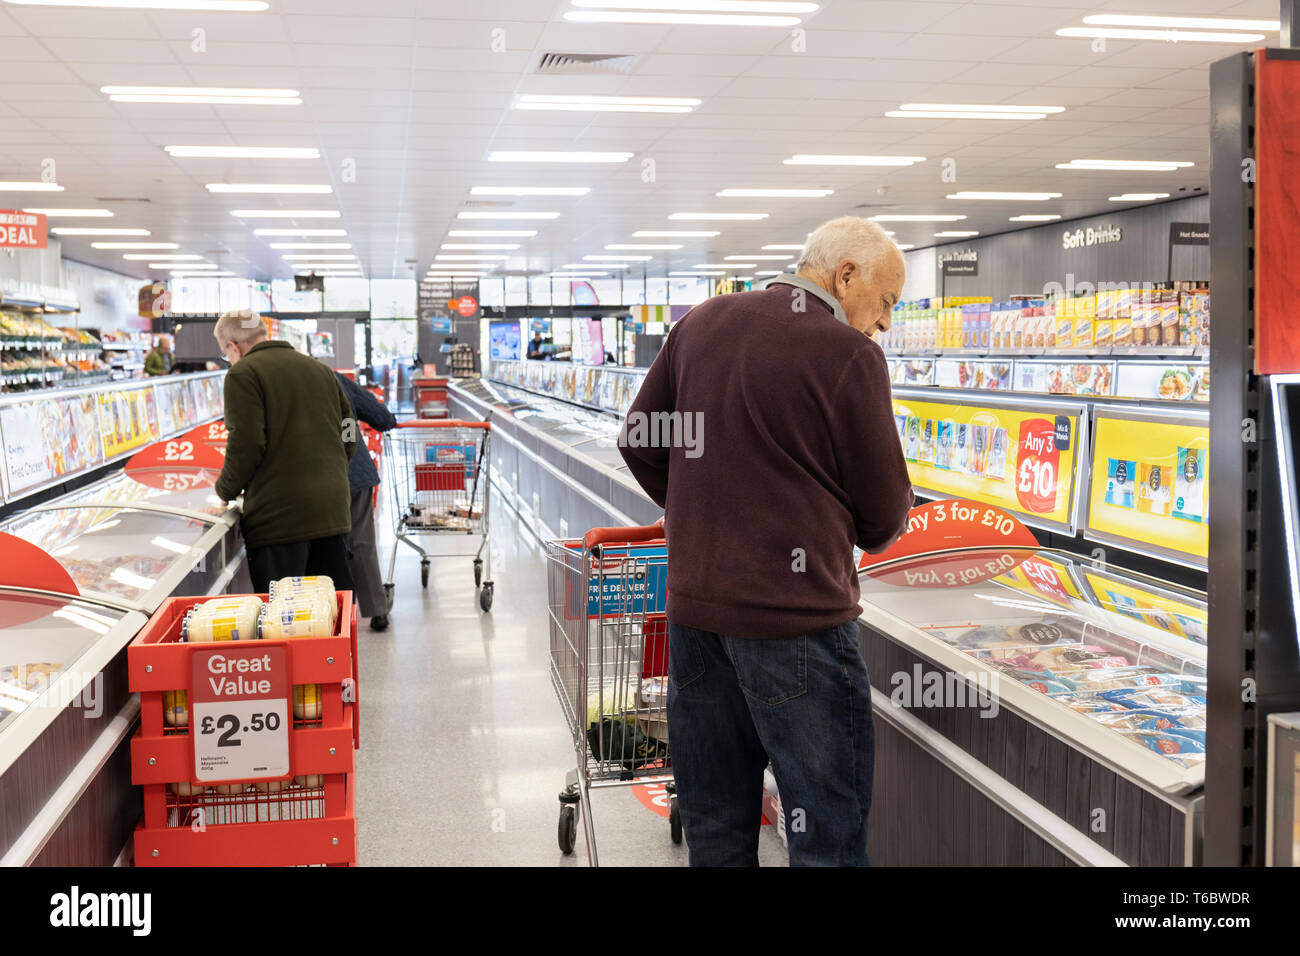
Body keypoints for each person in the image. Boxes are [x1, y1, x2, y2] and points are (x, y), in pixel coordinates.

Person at [618, 216, 914, 867]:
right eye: (887, 301)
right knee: (822, 833)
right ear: (845, 275)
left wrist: (697, 517)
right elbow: (886, 514)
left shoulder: (702, 322)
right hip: (798, 629)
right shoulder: (850, 355)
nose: (885, 322)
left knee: (716, 824)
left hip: (696, 619)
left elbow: (638, 439)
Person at [213, 310, 357, 595]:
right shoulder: (319, 369)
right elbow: (349, 427)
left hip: (279, 520)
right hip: (332, 511)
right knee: (330, 613)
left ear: (233, 345)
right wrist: (336, 464)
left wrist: (224, 491)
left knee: (286, 620)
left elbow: (247, 442)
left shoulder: (243, 373)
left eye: (224, 353)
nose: (228, 359)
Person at [334, 372, 398, 631]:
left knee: (328, 546)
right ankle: (377, 610)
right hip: (354, 471)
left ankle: (336, 615)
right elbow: (380, 417)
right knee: (361, 542)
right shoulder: (336, 379)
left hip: (313, 477)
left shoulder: (280, 384)